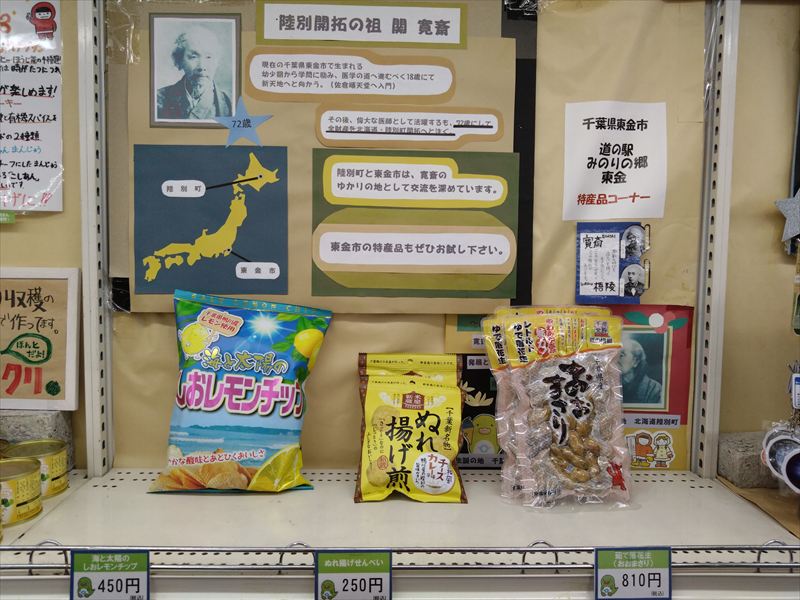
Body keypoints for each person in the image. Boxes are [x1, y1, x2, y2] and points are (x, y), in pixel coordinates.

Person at [157, 26, 232, 120]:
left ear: (217, 62)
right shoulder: (158, 99)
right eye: (193, 57)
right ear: (180, 60)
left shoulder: (230, 103)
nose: (202, 66)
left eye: (208, 57)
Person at [620, 338, 662, 405]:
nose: (615, 359)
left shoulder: (654, 390)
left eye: (621, 355)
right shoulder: (611, 385)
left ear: (635, 361)